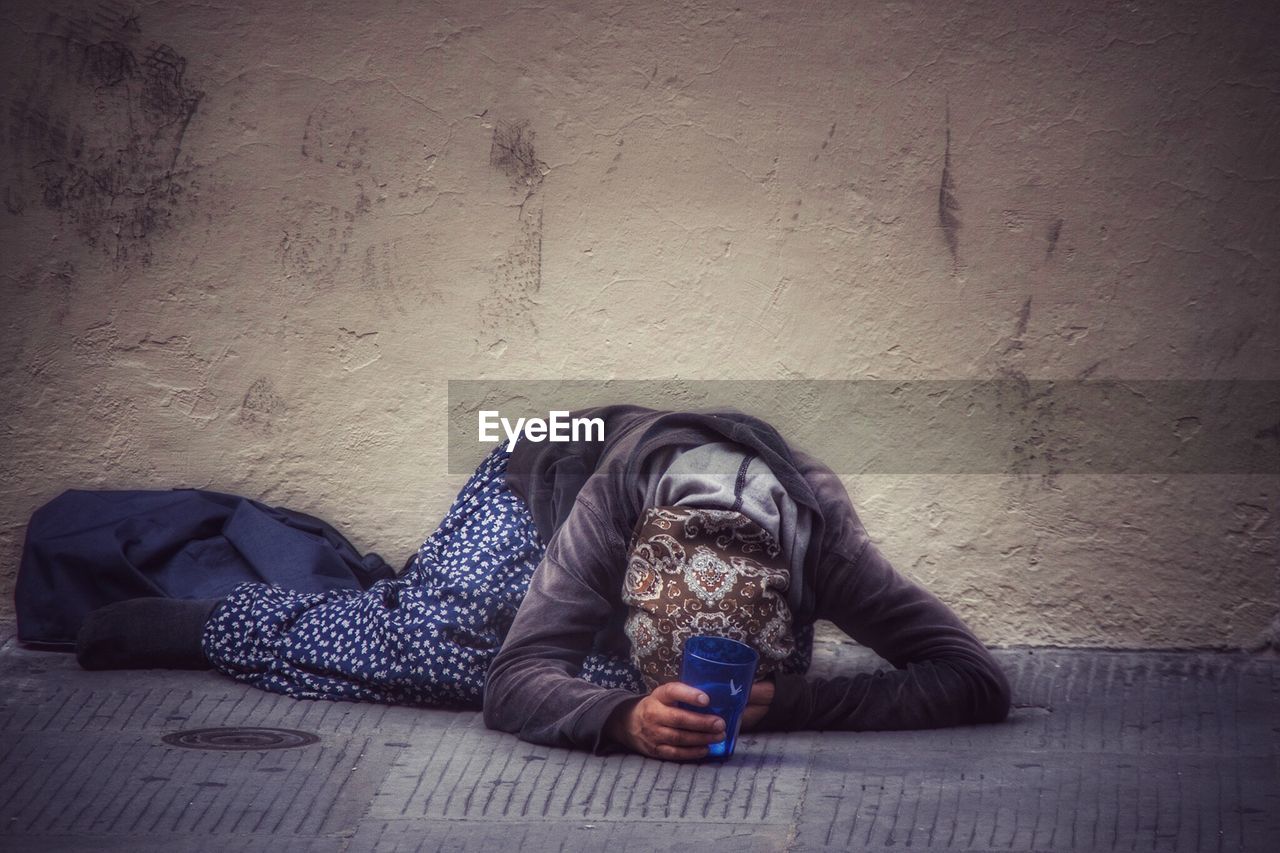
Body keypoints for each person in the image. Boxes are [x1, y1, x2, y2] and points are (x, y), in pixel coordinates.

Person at [75, 405, 1011, 760]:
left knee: (594, 677)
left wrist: (795, 703)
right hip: (549, 474)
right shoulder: (612, 512)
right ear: (632, 580)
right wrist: (623, 719)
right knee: (438, 647)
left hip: (623, 560)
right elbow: (517, 679)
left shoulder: (820, 537)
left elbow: (970, 676)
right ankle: (216, 620)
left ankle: (616, 670)